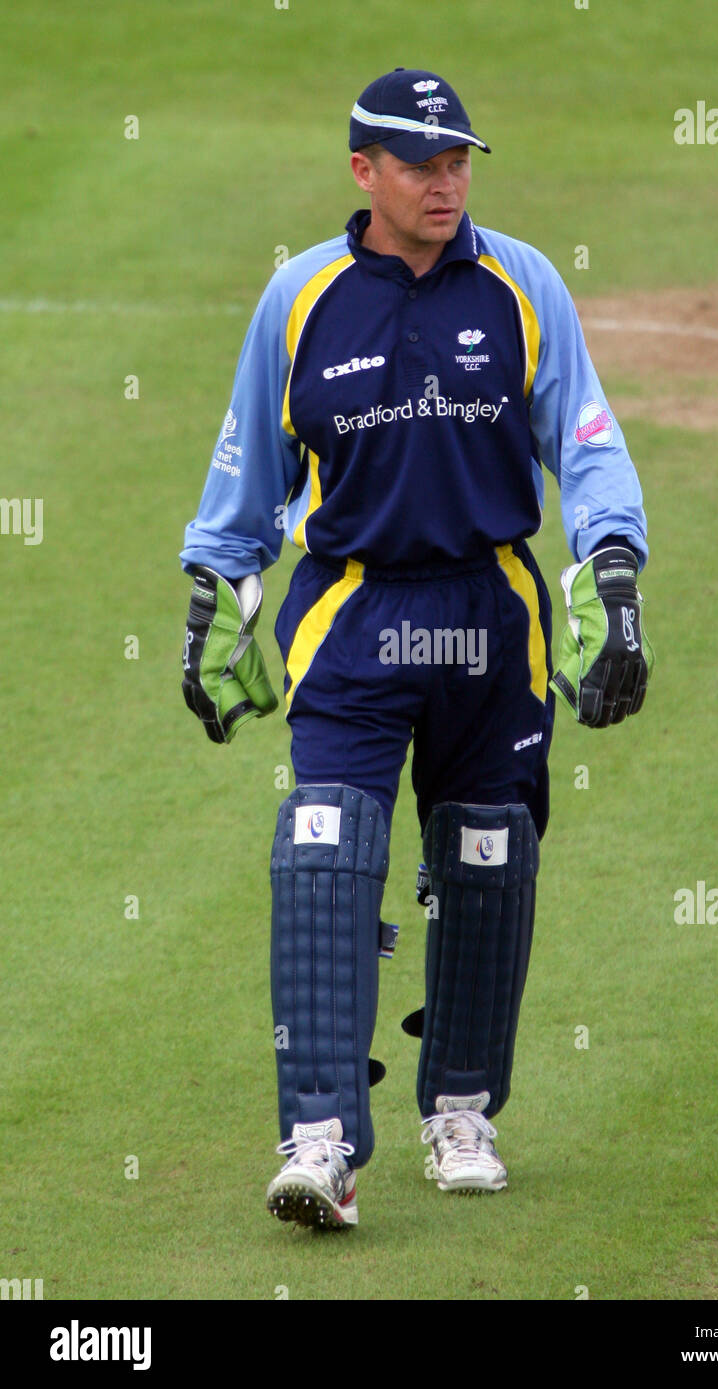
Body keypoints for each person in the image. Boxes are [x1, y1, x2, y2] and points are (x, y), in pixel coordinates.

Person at [180, 67, 654, 1232]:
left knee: (487, 859)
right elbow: (249, 462)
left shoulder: (521, 282)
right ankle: (319, 1138)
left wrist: (613, 568)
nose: (445, 184)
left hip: (490, 614)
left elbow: (584, 441)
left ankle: (460, 1110)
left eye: (457, 163)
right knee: (323, 849)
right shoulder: (299, 297)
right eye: (419, 164)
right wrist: (213, 591)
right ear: (363, 171)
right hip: (352, 613)